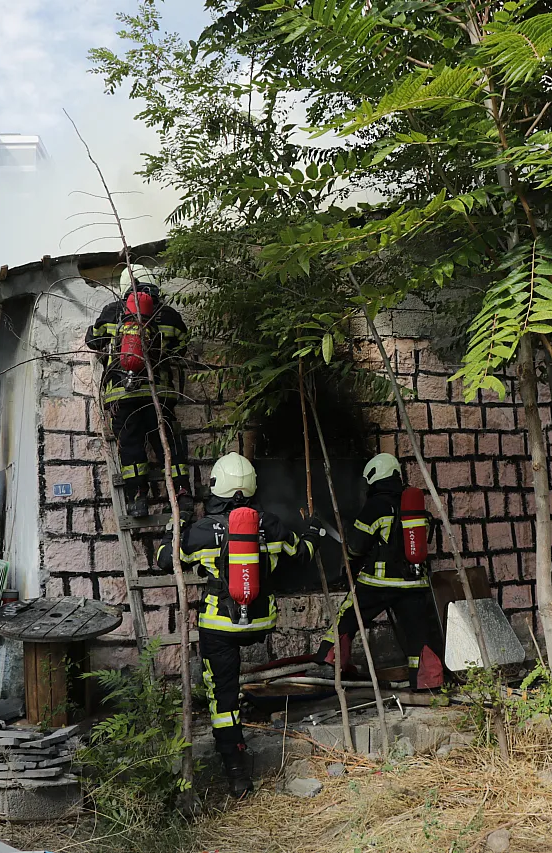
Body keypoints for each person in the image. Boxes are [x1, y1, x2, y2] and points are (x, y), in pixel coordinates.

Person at [157, 452, 324, 797]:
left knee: (222, 693)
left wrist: (179, 522)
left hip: (220, 625)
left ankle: (236, 770)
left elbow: (163, 558)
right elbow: (303, 554)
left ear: (218, 489)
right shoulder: (273, 524)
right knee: (231, 681)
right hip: (262, 621)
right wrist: (314, 530)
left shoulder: (202, 532)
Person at [313, 452, 444, 690]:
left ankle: (330, 662)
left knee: (348, 616)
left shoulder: (377, 505)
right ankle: (428, 682)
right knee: (419, 634)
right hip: (414, 583)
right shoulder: (411, 503)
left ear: (374, 477)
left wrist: (350, 562)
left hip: (378, 583)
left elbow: (356, 545)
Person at [85, 264, 190, 517]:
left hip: (122, 394)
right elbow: (181, 348)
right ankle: (182, 496)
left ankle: (138, 499)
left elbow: (93, 340)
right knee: (169, 444)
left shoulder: (112, 312)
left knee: (130, 444)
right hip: (159, 393)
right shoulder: (169, 315)